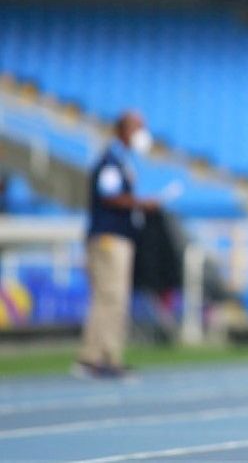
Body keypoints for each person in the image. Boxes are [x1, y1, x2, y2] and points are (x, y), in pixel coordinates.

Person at [72, 110, 159, 380]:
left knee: (112, 298)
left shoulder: (121, 161)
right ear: (123, 131)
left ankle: (105, 356)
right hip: (109, 238)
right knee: (110, 297)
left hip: (116, 237)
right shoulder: (111, 162)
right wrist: (141, 204)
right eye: (138, 128)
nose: (142, 134)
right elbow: (109, 196)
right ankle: (96, 358)